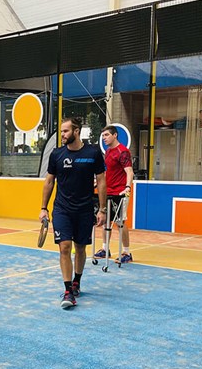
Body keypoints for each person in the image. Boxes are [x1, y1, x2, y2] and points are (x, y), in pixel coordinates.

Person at [39, 117, 106, 309]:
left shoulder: (93, 153)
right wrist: (43, 208)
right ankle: (68, 290)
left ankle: (77, 280)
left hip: (85, 209)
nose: (62, 134)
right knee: (65, 247)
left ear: (77, 131)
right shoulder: (57, 154)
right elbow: (49, 182)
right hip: (62, 209)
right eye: (61, 131)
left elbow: (102, 181)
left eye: (66, 131)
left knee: (81, 248)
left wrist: (102, 209)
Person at [94, 125, 134, 264]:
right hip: (108, 192)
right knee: (106, 220)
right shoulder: (108, 152)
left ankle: (126, 252)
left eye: (106, 135)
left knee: (120, 222)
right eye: (103, 136)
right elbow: (108, 172)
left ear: (115, 135)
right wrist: (98, 183)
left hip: (120, 192)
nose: (104, 138)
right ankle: (105, 249)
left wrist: (127, 187)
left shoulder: (123, 152)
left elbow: (129, 171)